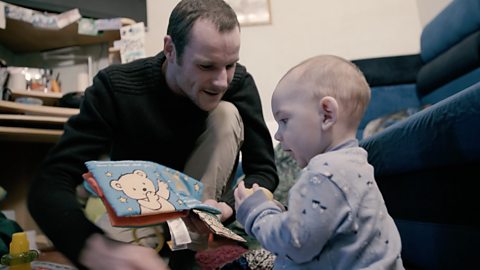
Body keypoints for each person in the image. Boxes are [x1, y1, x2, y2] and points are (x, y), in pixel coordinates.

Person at [27, 0, 278, 269]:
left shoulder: (238, 85)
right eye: (206, 66)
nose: (222, 82)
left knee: (226, 113)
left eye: (230, 65)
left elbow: (263, 171)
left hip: (200, 213)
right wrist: (96, 249)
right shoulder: (115, 88)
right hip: (138, 211)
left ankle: (188, 250)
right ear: (170, 49)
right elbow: (51, 182)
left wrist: (224, 208)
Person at [234, 55, 404, 269]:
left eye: (284, 120)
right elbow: (315, 228)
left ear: (326, 115)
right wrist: (275, 210)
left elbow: (295, 243)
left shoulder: (326, 173)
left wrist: (256, 212)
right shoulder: (353, 165)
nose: (278, 135)